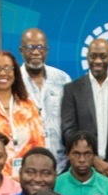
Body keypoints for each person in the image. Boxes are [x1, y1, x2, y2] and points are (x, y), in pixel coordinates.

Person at [60, 38, 108, 175]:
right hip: (83, 168)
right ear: (87, 57)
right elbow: (69, 130)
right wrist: (93, 160)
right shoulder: (72, 89)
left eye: (103, 56)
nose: (97, 61)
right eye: (93, 56)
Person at [18, 28, 72, 171]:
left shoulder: (63, 79)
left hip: (60, 165)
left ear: (47, 50)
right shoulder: (13, 81)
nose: (36, 52)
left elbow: (72, 121)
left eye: (40, 47)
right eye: (30, 47)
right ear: (21, 50)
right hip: (24, 167)